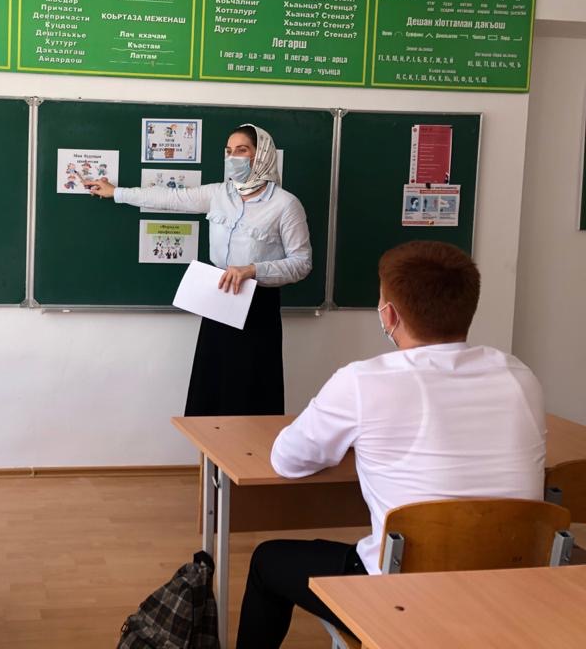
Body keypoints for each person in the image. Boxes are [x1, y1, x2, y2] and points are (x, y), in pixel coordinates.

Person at [235, 241, 546, 649]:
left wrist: (357, 442)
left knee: (267, 561)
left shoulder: (363, 381)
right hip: (511, 588)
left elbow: (287, 460)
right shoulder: (519, 376)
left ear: (390, 315)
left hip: (404, 594)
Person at [86, 124, 312, 416]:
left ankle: (247, 446)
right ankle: (209, 447)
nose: (233, 158)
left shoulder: (285, 205)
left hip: (257, 306)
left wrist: (252, 269)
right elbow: (169, 199)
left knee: (250, 391)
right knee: (211, 388)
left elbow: (302, 263)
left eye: (242, 150)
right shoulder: (219, 194)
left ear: (262, 155)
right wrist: (115, 192)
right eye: (228, 151)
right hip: (219, 299)